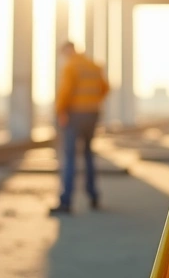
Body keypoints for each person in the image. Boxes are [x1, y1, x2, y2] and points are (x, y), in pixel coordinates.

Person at [50, 42, 110, 215]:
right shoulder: (94, 66)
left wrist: (60, 111)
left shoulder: (71, 67)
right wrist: (94, 102)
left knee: (69, 157)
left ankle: (66, 201)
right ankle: (93, 196)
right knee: (88, 154)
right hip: (92, 114)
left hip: (74, 115)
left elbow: (65, 92)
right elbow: (105, 88)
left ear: (68, 51)